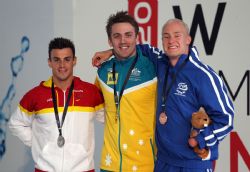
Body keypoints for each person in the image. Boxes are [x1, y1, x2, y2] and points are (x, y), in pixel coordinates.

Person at [93, 18, 234, 172]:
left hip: (192, 164)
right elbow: (132, 47)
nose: (171, 40)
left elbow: (226, 119)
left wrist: (200, 140)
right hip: (163, 163)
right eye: (166, 36)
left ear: (188, 39)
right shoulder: (159, 61)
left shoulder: (203, 75)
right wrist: (111, 51)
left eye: (177, 35)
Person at [9, 37, 104, 172]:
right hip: (45, 169)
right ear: (49, 62)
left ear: (74, 61)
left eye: (67, 59)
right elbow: (15, 123)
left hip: (83, 169)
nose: (62, 65)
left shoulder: (91, 92)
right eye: (56, 60)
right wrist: (40, 144)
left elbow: (109, 119)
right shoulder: (36, 94)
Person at [94, 11, 157, 172]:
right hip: (110, 164)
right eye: (117, 36)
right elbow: (97, 108)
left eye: (128, 35)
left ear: (137, 37)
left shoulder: (153, 68)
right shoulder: (103, 71)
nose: (123, 41)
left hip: (145, 165)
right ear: (110, 40)